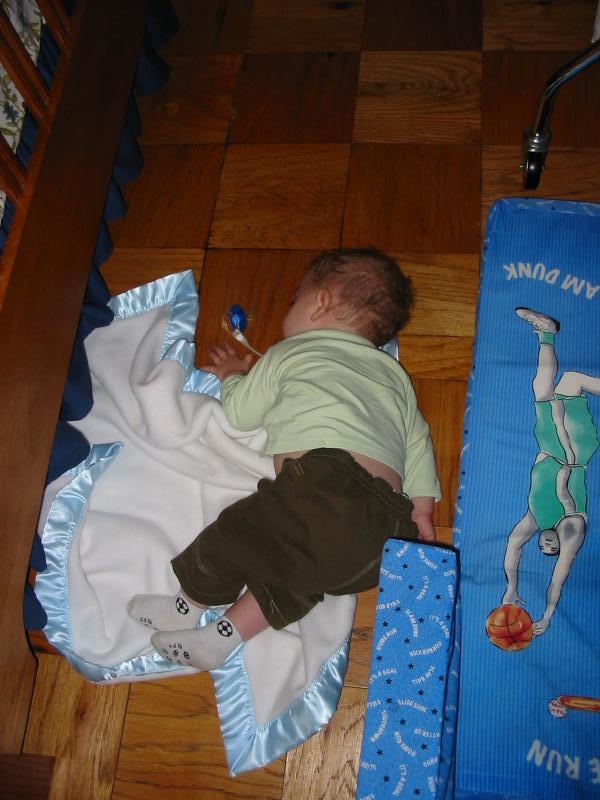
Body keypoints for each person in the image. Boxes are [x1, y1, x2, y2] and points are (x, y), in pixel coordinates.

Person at [128, 248, 441, 670]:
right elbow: (418, 441)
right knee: (297, 571)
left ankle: (187, 605)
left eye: (294, 299)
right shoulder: (395, 377)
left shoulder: (292, 352)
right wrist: (422, 510)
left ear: (321, 302)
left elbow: (240, 414)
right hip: (381, 535)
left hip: (326, 483)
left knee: (241, 532)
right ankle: (222, 638)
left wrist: (235, 376)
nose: (288, 309)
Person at [502, 307, 600, 636]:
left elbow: (514, 545)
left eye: (542, 548)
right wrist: (546, 614)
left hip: (549, 442)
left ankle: (546, 333)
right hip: (572, 448)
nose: (547, 546)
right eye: (552, 549)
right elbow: (559, 576)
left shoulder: (534, 519)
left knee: (554, 386)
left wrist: (511, 587)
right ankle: (547, 334)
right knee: (568, 381)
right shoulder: (571, 527)